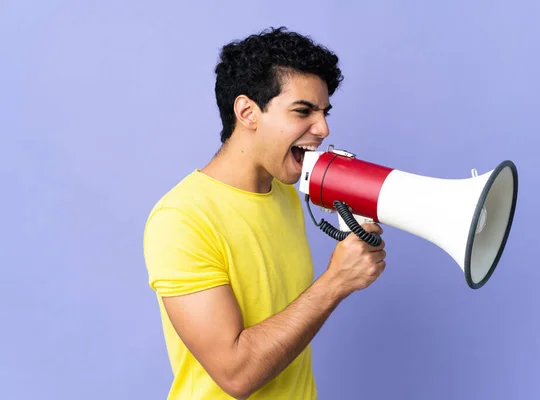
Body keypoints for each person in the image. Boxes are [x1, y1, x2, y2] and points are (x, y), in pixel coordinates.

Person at [143, 26, 387, 399]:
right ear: (247, 112)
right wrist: (337, 281)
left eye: (323, 112)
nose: (323, 128)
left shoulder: (285, 191)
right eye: (303, 111)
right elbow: (236, 373)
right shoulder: (181, 219)